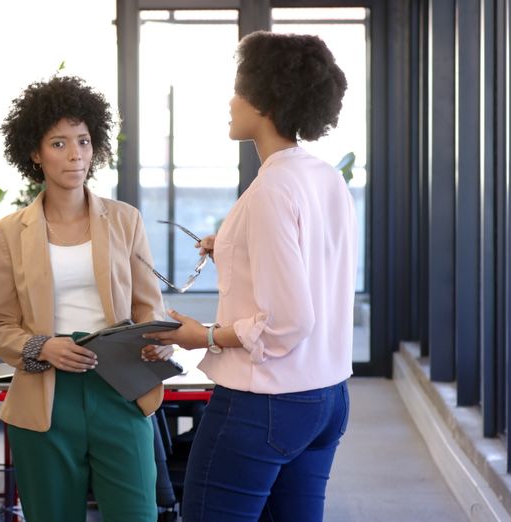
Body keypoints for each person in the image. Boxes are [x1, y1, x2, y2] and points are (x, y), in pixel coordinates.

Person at [144, 31, 355, 522]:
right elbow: (313, 271)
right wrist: (232, 250)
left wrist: (202, 336)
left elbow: (288, 321)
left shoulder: (270, 190)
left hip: (266, 404)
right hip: (326, 398)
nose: (231, 101)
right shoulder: (325, 177)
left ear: (266, 100)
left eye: (239, 89)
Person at [0, 75, 172, 522]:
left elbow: (149, 307)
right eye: (59, 143)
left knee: (136, 515)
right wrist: (42, 347)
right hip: (46, 397)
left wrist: (158, 339)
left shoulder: (125, 220)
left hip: (119, 388)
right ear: (35, 153)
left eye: (83, 141)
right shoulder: (9, 232)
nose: (75, 154)